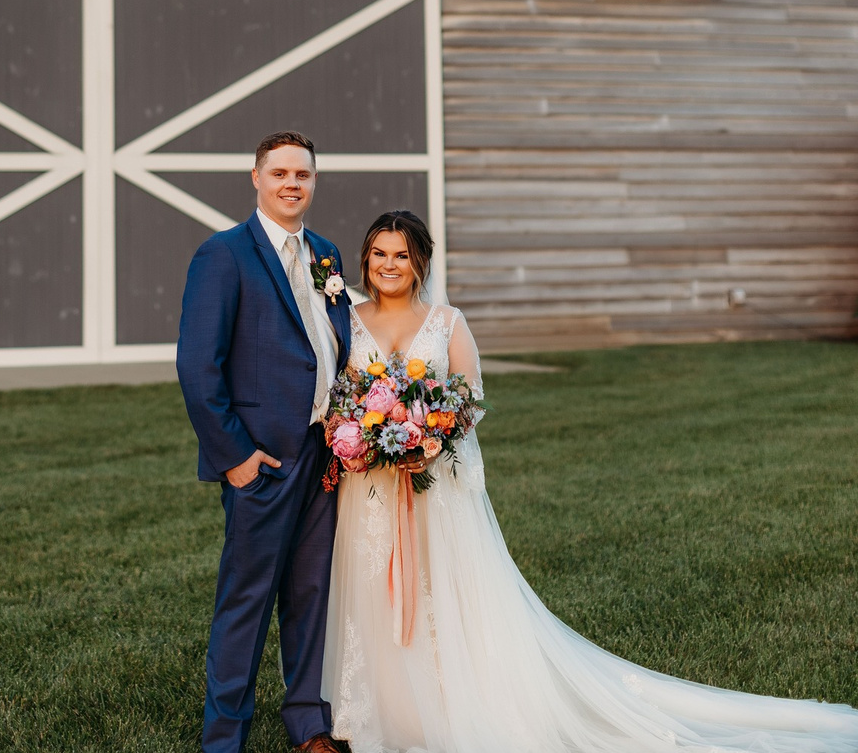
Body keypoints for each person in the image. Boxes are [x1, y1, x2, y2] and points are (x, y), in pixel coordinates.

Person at [323, 209, 858, 753]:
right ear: (366, 258)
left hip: (435, 490)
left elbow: (469, 400)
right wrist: (361, 436)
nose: (390, 265)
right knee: (372, 595)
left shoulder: (447, 322)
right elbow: (336, 397)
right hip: (368, 491)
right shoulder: (347, 318)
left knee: (447, 597)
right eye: (380, 254)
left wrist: (429, 438)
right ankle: (383, 711)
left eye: (402, 255)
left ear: (420, 261)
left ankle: (447, 707)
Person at [177, 131, 352, 753]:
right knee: (246, 602)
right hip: (264, 460)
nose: (291, 184)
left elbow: (332, 346)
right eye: (278, 173)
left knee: (310, 594)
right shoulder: (222, 256)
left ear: (313, 182)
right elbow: (198, 368)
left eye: (302, 174)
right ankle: (224, 737)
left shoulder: (326, 254)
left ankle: (308, 723)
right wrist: (236, 459)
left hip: (326, 457)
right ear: (256, 178)